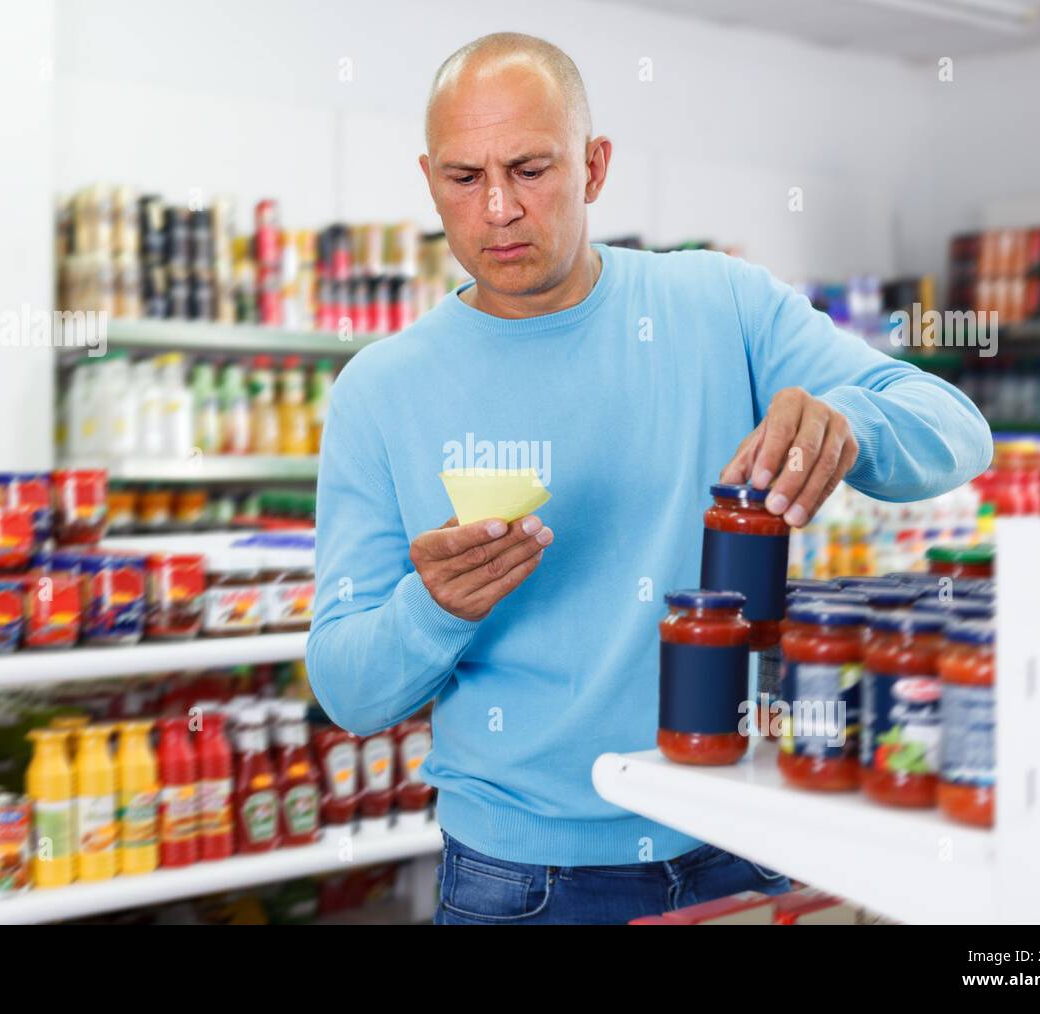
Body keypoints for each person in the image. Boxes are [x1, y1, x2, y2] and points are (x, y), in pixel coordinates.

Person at [307, 32, 992, 925]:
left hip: (743, 839)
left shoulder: (721, 305)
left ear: (595, 167)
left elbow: (958, 431)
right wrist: (433, 608)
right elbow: (350, 690)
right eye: (464, 178)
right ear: (429, 179)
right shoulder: (379, 391)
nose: (500, 207)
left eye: (530, 167)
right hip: (520, 882)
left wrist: (852, 426)